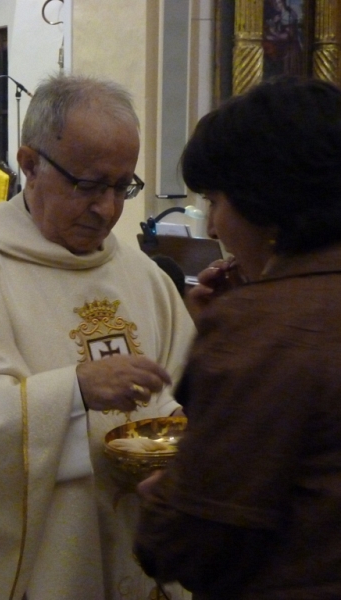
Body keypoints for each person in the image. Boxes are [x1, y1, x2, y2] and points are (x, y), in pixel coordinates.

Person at [0, 74, 195, 600]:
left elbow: (187, 388)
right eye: (90, 185)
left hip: (139, 532)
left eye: (123, 187)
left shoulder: (142, 275)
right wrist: (72, 391)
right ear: (30, 165)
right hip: (51, 552)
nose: (109, 209)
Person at [134, 77, 341, 599]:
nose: (211, 229)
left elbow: (195, 541)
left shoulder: (260, 326)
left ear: (264, 203)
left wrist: (166, 505)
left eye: (214, 200)